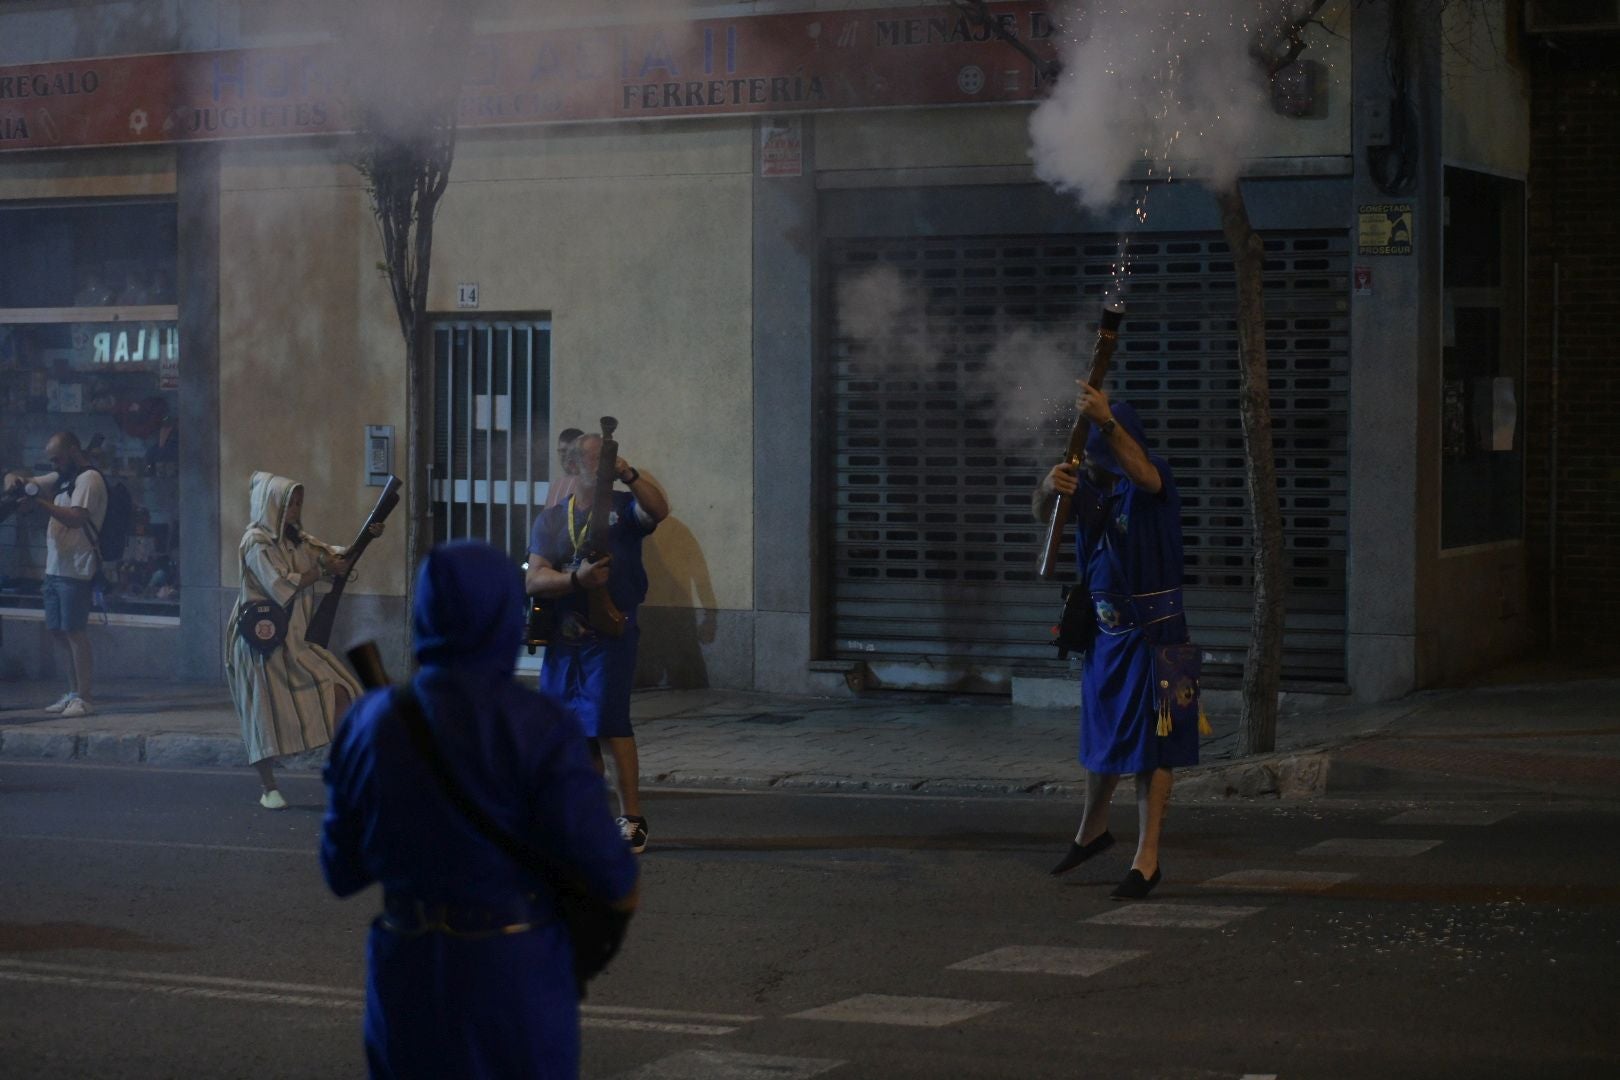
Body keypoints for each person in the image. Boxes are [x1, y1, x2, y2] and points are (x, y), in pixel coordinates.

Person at [321, 541, 639, 1080]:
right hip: (513, 975)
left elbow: (340, 870)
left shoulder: (370, 723)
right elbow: (613, 875)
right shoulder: (541, 726)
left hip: (406, 974)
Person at [1035, 386, 1197, 901]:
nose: (1092, 460)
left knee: (1156, 745)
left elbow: (1144, 474)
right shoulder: (1091, 486)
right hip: (1105, 637)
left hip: (1159, 637)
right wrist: (1047, 488)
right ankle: (1092, 831)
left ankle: (1147, 859)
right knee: (1101, 739)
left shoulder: (1153, 475)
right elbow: (1044, 514)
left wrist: (1105, 420)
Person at [526, 432, 669, 854]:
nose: (605, 466)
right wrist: (577, 579)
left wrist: (630, 474)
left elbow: (658, 511)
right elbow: (535, 578)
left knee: (609, 722)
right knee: (572, 730)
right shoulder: (553, 519)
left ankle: (632, 818)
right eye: (596, 460)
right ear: (573, 467)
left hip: (609, 633)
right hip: (564, 636)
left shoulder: (623, 509)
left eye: (609, 458)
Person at [225, 471, 377, 809]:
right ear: (271, 504)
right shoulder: (255, 542)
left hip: (294, 640)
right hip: (260, 643)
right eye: (289, 503)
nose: (294, 509)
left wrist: (366, 536)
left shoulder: (296, 539)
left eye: (297, 503)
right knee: (263, 715)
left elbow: (331, 556)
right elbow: (280, 585)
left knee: (340, 690)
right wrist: (323, 571)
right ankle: (268, 788)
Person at [10, 432, 108, 718]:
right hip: (55, 567)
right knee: (58, 631)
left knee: (75, 632)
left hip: (76, 567)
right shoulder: (63, 477)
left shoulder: (88, 479)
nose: (55, 465)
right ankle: (72, 692)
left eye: (58, 459)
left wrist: (40, 503)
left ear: (74, 451)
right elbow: (26, 480)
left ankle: (85, 697)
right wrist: (14, 482)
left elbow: (76, 518)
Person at [543, 426, 585, 510]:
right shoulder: (556, 484)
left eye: (568, 451)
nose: (564, 456)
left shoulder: (588, 485)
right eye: (561, 451)